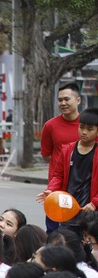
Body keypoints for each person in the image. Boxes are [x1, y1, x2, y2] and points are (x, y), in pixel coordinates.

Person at [37, 107, 98, 235]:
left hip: (91, 214)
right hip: (67, 211)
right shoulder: (68, 150)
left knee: (90, 250)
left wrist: (94, 203)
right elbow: (58, 175)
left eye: (90, 129)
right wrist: (51, 190)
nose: (84, 132)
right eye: (81, 127)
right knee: (68, 247)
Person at [41, 82, 82, 232]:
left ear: (78, 100)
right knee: (54, 232)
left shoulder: (89, 126)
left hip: (84, 186)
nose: (63, 103)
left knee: (82, 231)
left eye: (67, 99)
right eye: (60, 100)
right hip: (57, 189)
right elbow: (46, 155)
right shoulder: (50, 126)